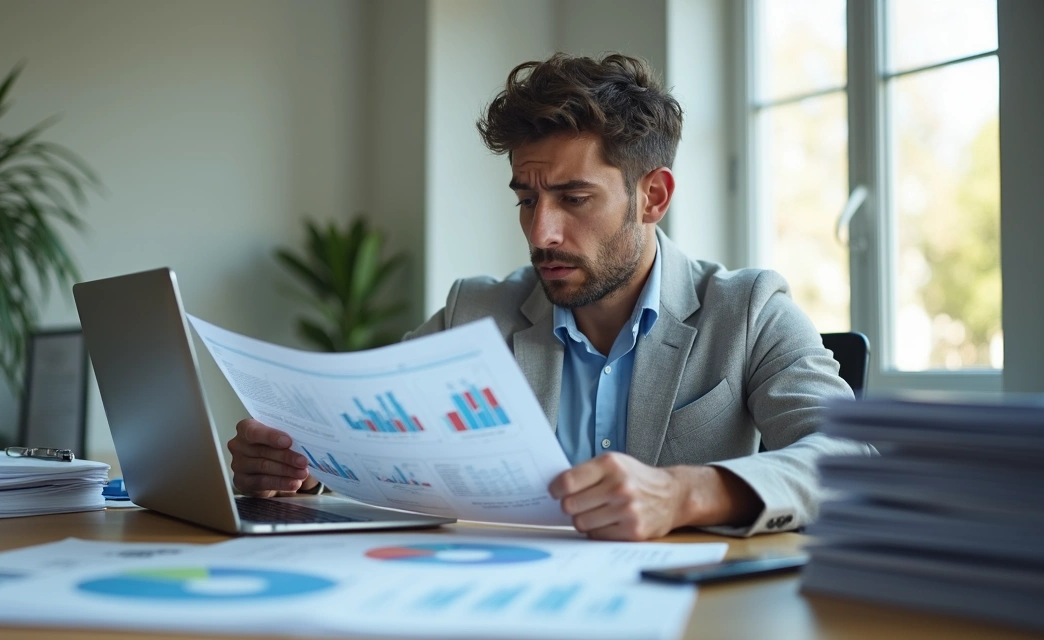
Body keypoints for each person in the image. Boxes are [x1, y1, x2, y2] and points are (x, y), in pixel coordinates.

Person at [226, 53, 873, 541]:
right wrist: (301, 465)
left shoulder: (749, 309)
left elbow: (852, 458)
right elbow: (363, 431)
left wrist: (685, 494)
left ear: (653, 196)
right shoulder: (473, 312)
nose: (542, 232)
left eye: (574, 198)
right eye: (527, 199)